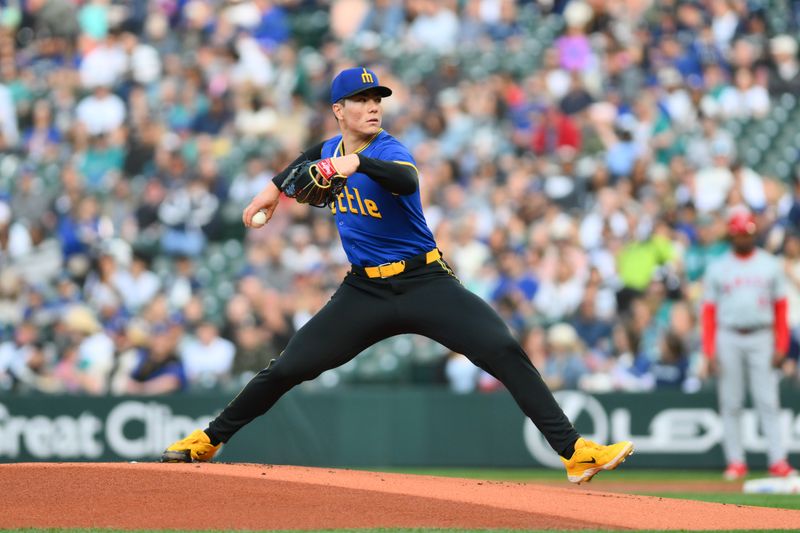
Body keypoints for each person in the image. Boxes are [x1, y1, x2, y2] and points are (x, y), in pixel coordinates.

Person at [161, 67, 634, 483]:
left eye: (377, 99)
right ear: (338, 111)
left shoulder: (389, 149)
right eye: (362, 101)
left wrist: (357, 162)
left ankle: (574, 452)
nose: (372, 107)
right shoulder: (328, 150)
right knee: (287, 367)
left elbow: (405, 179)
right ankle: (208, 439)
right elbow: (308, 158)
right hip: (364, 290)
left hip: (425, 282)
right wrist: (271, 189)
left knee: (503, 349)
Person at [702, 208, 797, 481]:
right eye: (740, 233)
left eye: (748, 233)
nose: (744, 237)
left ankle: (778, 460)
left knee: (768, 400)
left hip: (761, 335)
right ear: (732, 234)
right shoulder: (719, 267)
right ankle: (736, 462)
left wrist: (782, 345)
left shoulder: (769, 264)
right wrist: (709, 350)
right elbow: (709, 312)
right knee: (731, 401)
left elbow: (781, 308)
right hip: (729, 334)